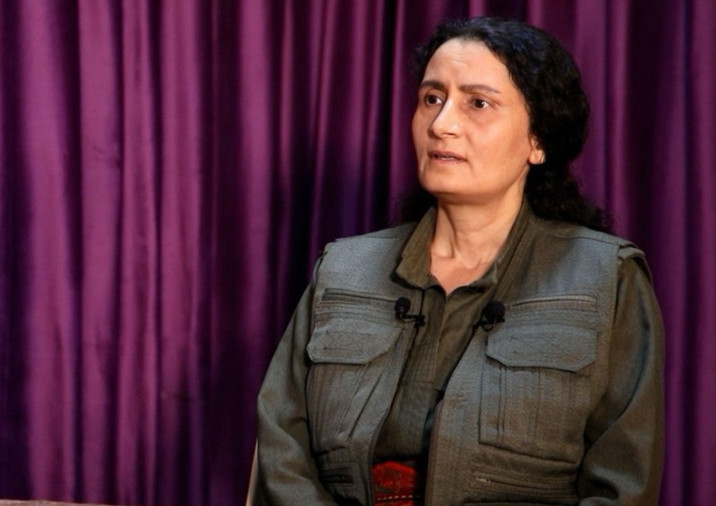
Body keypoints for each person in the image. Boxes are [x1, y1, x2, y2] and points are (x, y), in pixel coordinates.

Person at [252, 16, 664, 506]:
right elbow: (283, 450)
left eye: (478, 103)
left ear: (538, 140)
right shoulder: (342, 268)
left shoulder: (608, 278)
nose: (441, 124)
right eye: (432, 98)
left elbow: (623, 486)